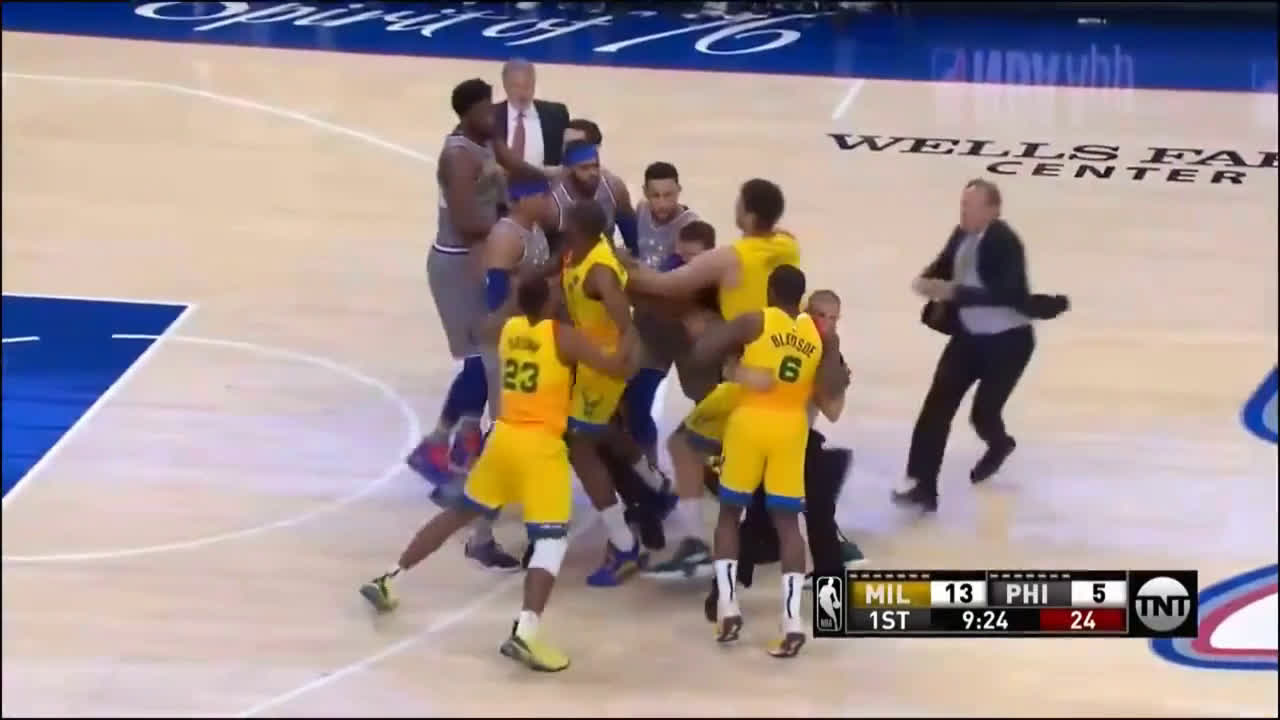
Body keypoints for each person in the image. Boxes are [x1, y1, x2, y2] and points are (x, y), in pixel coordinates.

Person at [359, 277, 637, 673]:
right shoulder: (563, 337)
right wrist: (629, 330)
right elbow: (616, 367)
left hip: (503, 439)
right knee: (551, 541)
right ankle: (526, 632)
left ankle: (389, 578)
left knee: (457, 514)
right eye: (557, 294)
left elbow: (484, 328)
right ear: (549, 303)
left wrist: (513, 300)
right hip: (540, 448)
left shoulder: (508, 329)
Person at [626, 178, 799, 575]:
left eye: (739, 202)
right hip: (788, 369)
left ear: (748, 214)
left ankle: (696, 545)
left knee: (683, 445)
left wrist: (620, 265)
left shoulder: (729, 258)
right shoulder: (788, 246)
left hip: (747, 374)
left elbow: (665, 284)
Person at [690, 264, 846, 658]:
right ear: (802, 299)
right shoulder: (818, 335)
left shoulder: (756, 320)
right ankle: (791, 621)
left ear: (771, 292)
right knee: (789, 525)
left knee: (730, 516)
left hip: (750, 424)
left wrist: (735, 367)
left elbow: (702, 351)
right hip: (792, 430)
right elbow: (831, 391)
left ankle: (727, 606)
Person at [893, 179, 1069, 512]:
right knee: (936, 408)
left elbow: (1008, 294)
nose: (964, 212)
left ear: (993, 210)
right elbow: (944, 264)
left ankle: (999, 444)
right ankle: (922, 486)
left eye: (971, 207)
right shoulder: (961, 234)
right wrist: (927, 279)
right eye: (962, 205)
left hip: (1009, 343)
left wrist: (955, 293)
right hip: (969, 339)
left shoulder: (1005, 242)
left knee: (983, 414)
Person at [559, 199, 648, 586]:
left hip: (604, 368)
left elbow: (627, 324)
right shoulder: (576, 253)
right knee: (600, 433)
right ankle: (654, 484)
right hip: (590, 362)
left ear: (577, 229)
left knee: (579, 445)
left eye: (567, 222)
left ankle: (624, 544)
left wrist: (618, 365)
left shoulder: (599, 271)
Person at [623, 162, 704, 482]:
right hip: (651, 329)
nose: (662, 203)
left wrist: (636, 277)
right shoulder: (640, 213)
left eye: (669, 195)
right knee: (637, 399)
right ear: (645, 193)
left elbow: (677, 284)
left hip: (683, 330)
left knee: (708, 401)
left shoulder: (692, 228)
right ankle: (649, 470)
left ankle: (715, 463)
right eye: (655, 195)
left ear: (679, 191)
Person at [551, 140, 638, 253]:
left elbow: (632, 237)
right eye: (584, 168)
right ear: (568, 171)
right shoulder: (553, 203)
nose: (593, 173)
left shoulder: (614, 188)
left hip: (608, 257)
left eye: (595, 166)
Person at [494, 58, 570, 168]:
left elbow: (567, 154)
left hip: (545, 178)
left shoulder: (556, 114)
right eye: (516, 87)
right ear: (505, 85)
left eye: (527, 86)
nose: (522, 94)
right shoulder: (490, 116)